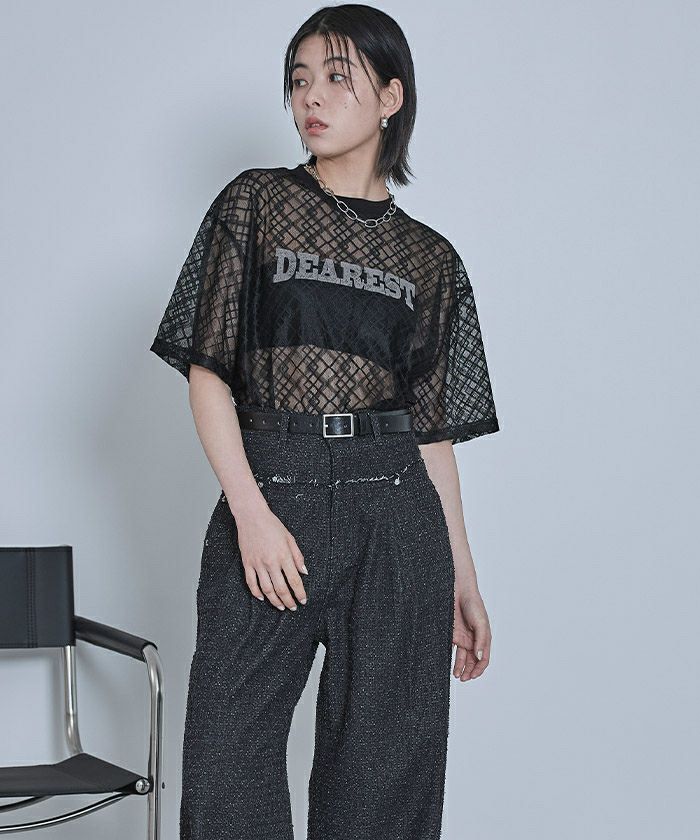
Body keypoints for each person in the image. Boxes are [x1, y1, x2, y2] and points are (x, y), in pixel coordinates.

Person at [149, 5, 500, 839]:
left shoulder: (432, 260)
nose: (311, 96)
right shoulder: (256, 203)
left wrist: (463, 576)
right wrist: (251, 513)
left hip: (396, 510)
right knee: (227, 766)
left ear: (390, 97)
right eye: (299, 79)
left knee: (386, 773)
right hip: (275, 490)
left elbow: (432, 434)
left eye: (337, 77)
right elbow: (208, 373)